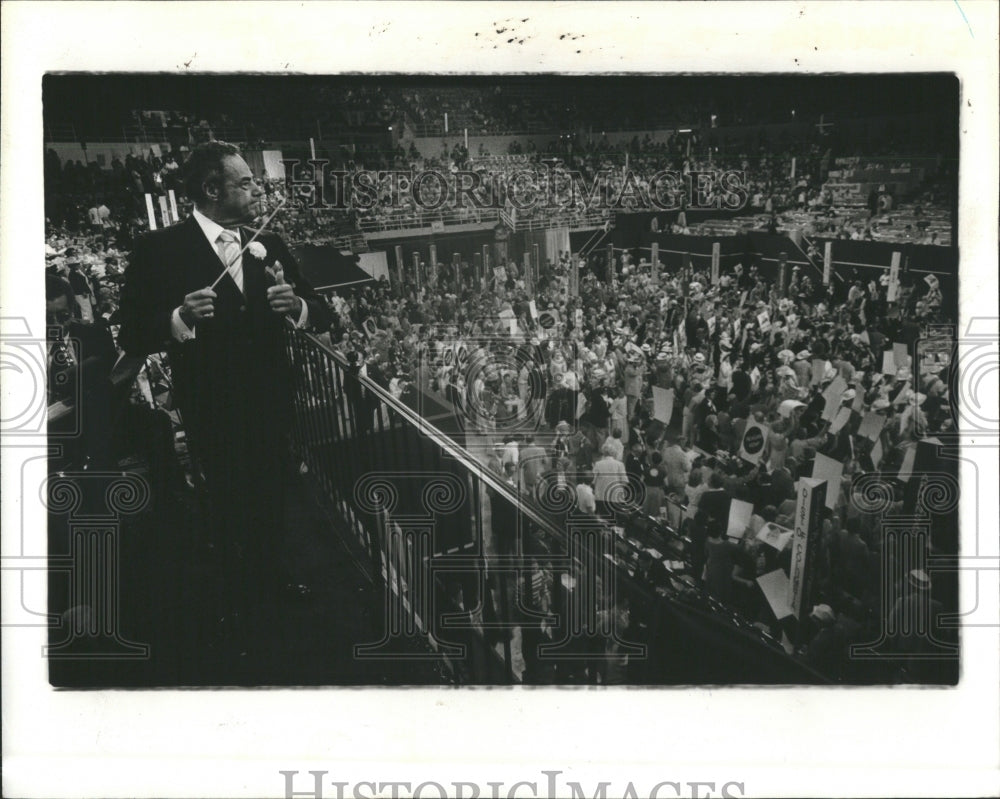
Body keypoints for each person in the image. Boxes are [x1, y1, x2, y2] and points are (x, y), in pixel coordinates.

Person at [118, 141, 332, 653]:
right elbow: (130, 334)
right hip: (212, 409)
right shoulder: (159, 250)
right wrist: (178, 319)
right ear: (212, 190)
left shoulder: (269, 243)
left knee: (271, 495)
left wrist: (297, 304)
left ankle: (273, 573)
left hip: (273, 404)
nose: (257, 188)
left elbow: (323, 312)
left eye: (255, 182)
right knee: (230, 501)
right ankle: (241, 596)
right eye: (245, 182)